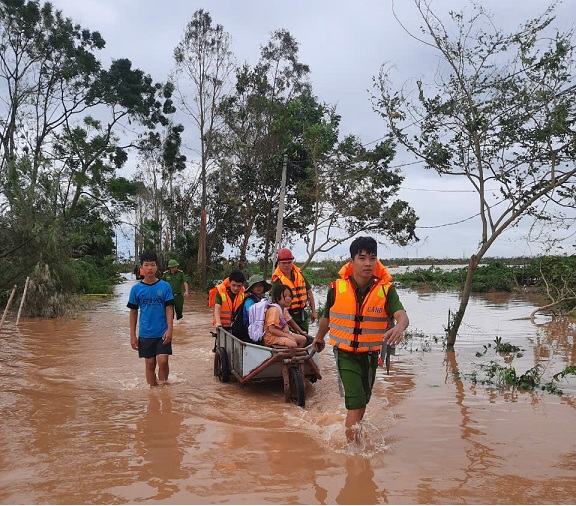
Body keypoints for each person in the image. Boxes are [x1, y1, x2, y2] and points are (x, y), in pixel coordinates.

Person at [311, 236, 409, 443]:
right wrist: (319, 338)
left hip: (371, 354)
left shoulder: (386, 290)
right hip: (345, 353)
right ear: (352, 260)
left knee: (364, 398)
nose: (367, 263)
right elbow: (326, 317)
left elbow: (401, 314)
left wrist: (399, 327)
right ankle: (353, 453)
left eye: (372, 258)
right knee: (355, 402)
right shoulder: (337, 288)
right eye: (362, 258)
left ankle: (356, 434)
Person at [128, 251, 175, 387]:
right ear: (141, 267)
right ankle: (153, 392)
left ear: (157, 267)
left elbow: (169, 309)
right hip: (145, 333)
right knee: (149, 363)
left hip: (162, 332)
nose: (150, 268)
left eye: (152, 265)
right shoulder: (136, 289)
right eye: (146, 265)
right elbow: (133, 312)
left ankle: (163, 388)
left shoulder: (165, 286)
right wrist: (132, 335)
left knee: (163, 361)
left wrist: (170, 329)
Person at [271, 248, 317, 333]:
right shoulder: (277, 280)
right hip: (287, 315)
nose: (287, 265)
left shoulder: (299, 274)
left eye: (289, 262)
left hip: (301, 314)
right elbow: (275, 303)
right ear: (279, 263)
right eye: (284, 263)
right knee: (293, 341)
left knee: (305, 337)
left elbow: (309, 292)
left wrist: (314, 311)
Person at [262, 284, 307, 348]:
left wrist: (301, 332)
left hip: (282, 334)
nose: (289, 298)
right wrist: (287, 336)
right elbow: (272, 329)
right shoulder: (274, 310)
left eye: (290, 296)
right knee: (293, 344)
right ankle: (290, 355)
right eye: (285, 296)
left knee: (303, 339)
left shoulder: (284, 309)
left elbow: (292, 322)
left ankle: (295, 355)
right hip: (272, 337)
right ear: (277, 298)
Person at [230, 274, 271, 340]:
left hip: (258, 328)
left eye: (260, 285)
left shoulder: (263, 299)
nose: (258, 288)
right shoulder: (249, 301)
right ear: (252, 288)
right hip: (246, 331)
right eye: (256, 286)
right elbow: (252, 318)